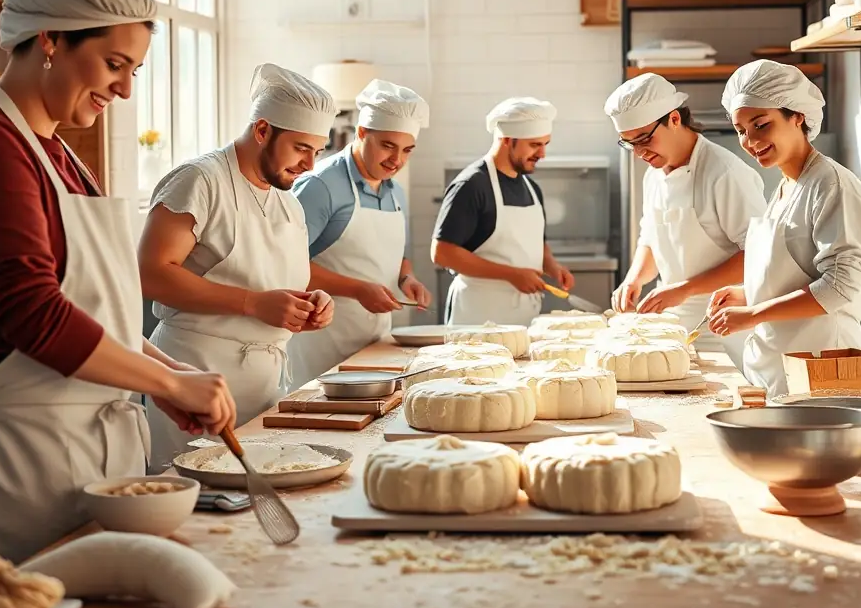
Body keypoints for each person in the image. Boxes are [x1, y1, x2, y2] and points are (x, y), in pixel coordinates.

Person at [0, 0, 236, 572]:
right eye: (114, 64)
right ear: (50, 39)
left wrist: (165, 370)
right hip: (16, 461)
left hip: (87, 452)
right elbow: (31, 314)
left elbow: (95, 311)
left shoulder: (61, 155)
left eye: (134, 70)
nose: (126, 89)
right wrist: (165, 383)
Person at [137, 64, 336, 470]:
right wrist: (253, 303)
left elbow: (275, 278)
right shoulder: (200, 180)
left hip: (263, 390)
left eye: (317, 151)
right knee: (196, 497)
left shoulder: (288, 203)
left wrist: (312, 302)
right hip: (194, 383)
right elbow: (150, 273)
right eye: (301, 148)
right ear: (262, 130)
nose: (310, 165)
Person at [708, 60, 861, 397]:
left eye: (761, 124)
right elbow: (798, 274)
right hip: (777, 369)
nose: (749, 140)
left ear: (797, 116)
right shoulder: (787, 187)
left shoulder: (831, 185)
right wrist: (748, 293)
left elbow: (840, 287)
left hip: (821, 367)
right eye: (740, 130)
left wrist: (753, 314)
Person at [605, 74, 766, 367]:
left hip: (725, 329)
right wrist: (634, 279)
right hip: (673, 328)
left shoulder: (724, 173)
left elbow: (759, 255)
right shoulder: (654, 174)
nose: (639, 153)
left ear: (675, 119)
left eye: (644, 139)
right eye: (630, 144)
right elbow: (651, 238)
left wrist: (684, 289)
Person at [289, 79, 432, 385]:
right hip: (319, 345)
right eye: (388, 146)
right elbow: (284, 264)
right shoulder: (320, 186)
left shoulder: (396, 193)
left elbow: (400, 257)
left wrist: (407, 278)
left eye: (407, 150)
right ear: (362, 132)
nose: (397, 160)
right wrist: (357, 289)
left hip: (374, 345)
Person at [432, 97, 574, 326]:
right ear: (507, 139)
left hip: (524, 317)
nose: (542, 154)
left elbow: (537, 242)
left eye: (545, 144)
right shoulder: (472, 185)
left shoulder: (531, 188)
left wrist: (552, 266)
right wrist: (512, 274)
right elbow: (442, 253)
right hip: (477, 317)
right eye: (535, 145)